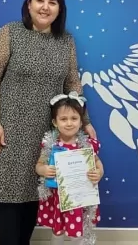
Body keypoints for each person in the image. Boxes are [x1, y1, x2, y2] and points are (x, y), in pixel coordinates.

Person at [0, 0, 97, 245]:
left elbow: (72, 83)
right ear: (29, 4)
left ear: (59, 9)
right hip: (9, 130)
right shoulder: (10, 33)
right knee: (9, 195)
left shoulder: (66, 41)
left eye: (52, 2)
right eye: (40, 0)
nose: (45, 7)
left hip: (47, 134)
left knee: (35, 193)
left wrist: (85, 121)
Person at [35, 92, 104, 245]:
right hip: (57, 199)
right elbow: (39, 165)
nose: (69, 123)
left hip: (79, 198)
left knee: (77, 233)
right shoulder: (50, 144)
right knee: (57, 232)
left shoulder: (86, 144)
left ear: (81, 122)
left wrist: (99, 172)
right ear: (55, 122)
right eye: (63, 119)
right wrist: (44, 170)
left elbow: (98, 163)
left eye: (74, 118)